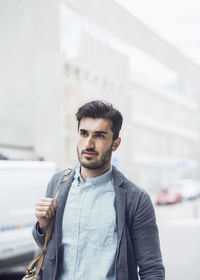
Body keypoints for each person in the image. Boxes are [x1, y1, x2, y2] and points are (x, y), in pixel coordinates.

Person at [33, 100, 165, 280]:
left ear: (115, 144)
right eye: (84, 133)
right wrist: (42, 225)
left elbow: (152, 269)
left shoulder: (135, 199)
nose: (89, 144)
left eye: (100, 136)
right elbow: (47, 246)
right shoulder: (57, 183)